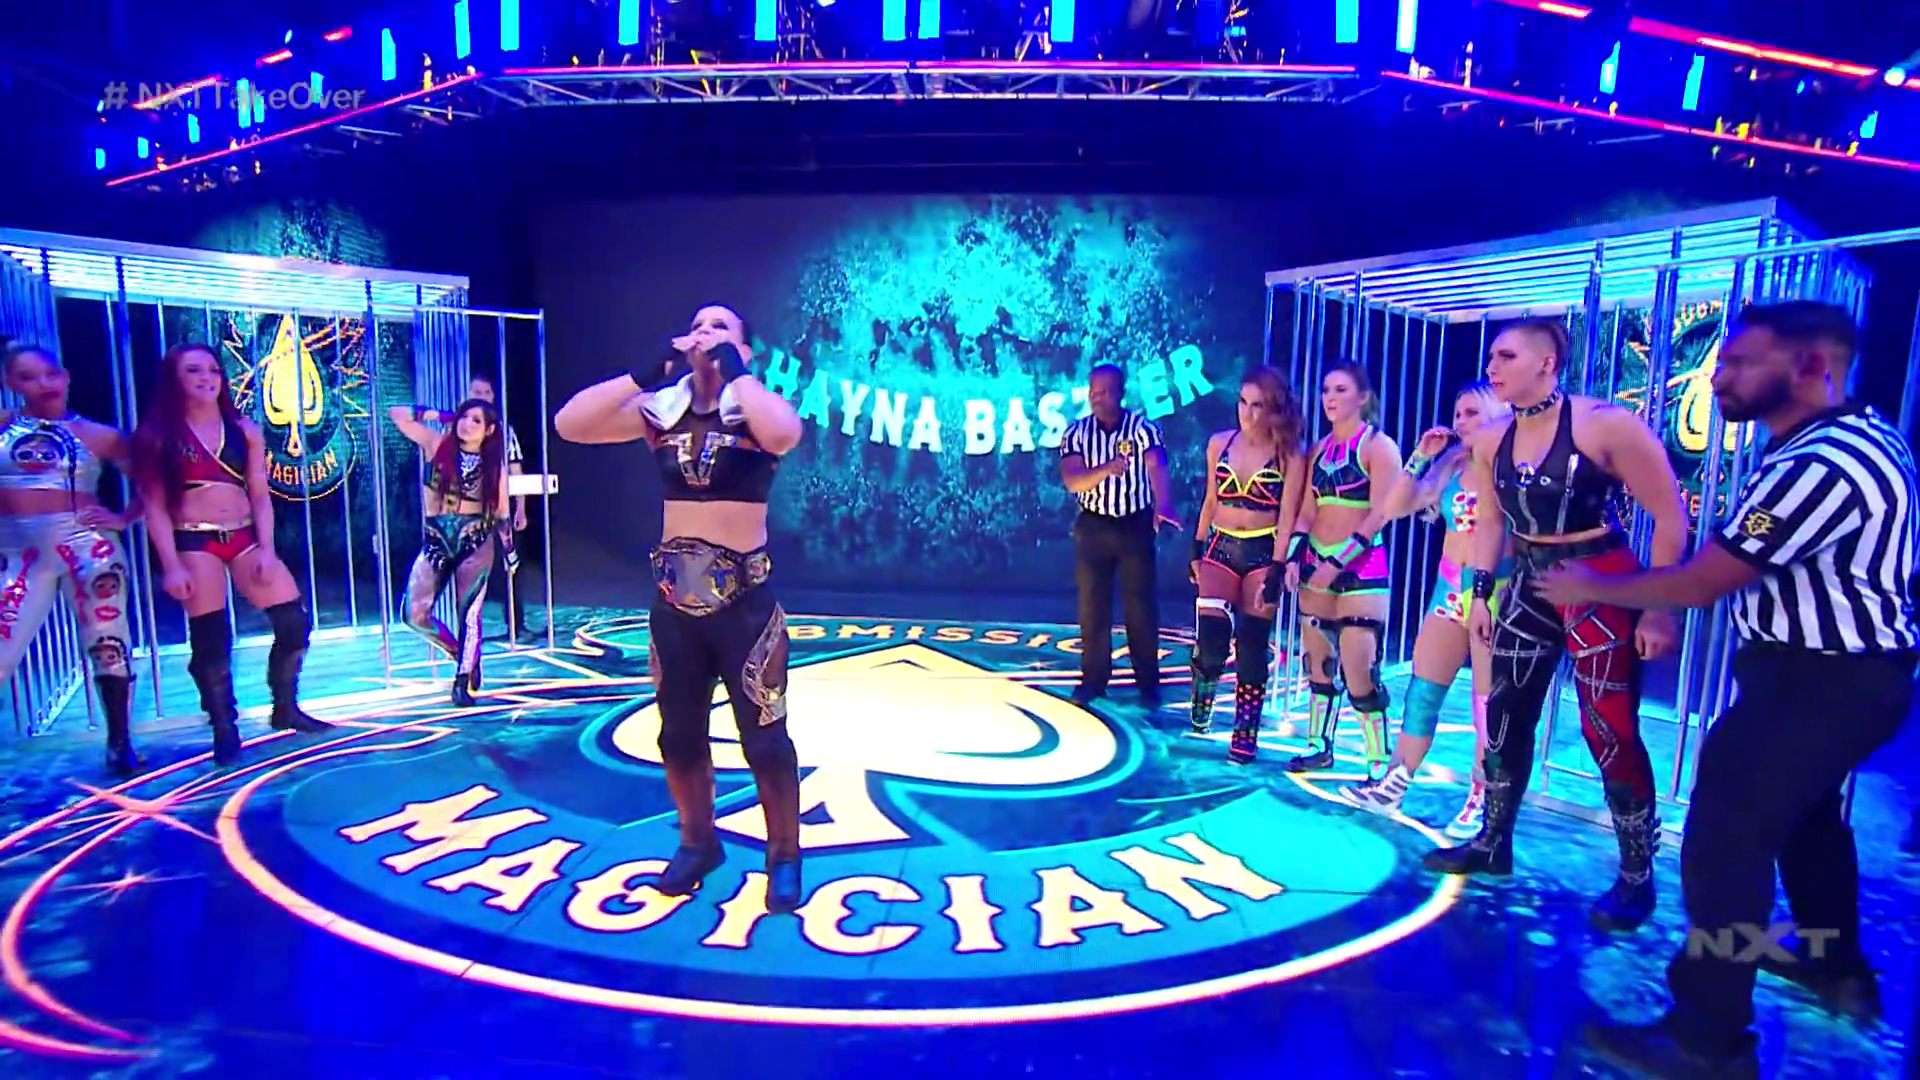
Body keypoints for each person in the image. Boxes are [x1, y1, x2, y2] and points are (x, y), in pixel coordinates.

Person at [1540, 303, 1916, 1079]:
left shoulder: (1822, 463)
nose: (1718, 377)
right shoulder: (1846, 438)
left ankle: (1708, 1038)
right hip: (1843, 677)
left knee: (1725, 843)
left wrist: (1594, 584)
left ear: (1811, 367)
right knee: (1808, 822)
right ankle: (1834, 967)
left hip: (1822, 682)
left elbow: (1707, 579)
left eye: (1741, 363)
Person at [1421, 318, 1687, 935]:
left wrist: (1659, 607)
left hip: (1599, 581)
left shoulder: (1604, 424)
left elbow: (1670, 513)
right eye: (1492, 356)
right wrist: (1481, 595)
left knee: (1608, 727)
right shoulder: (1491, 439)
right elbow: (1491, 523)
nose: (1493, 367)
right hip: (1530, 582)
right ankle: (1493, 841)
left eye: (1506, 356)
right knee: (1505, 711)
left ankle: (1636, 874)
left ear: (1546, 363)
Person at [554, 304, 806, 912]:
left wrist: (738, 372)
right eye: (698, 326)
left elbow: (784, 436)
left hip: (745, 607)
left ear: (743, 347)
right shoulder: (661, 411)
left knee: (765, 738)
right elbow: (570, 425)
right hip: (674, 607)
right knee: (678, 736)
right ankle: (698, 843)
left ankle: (784, 856)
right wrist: (641, 375)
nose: (705, 334)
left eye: (721, 328)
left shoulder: (756, 409)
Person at [133, 343, 333, 767]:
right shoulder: (158, 435)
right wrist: (170, 565)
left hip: (243, 535)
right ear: (174, 378)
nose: (206, 378)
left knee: (293, 621)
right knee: (210, 637)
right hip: (193, 539)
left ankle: (285, 707)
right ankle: (224, 725)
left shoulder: (244, 430)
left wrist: (267, 549)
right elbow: (153, 505)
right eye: (193, 370)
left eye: (212, 370)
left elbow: (260, 494)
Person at [1337, 382, 1513, 837]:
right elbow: (1395, 507)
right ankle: (1394, 784)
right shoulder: (1453, 463)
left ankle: (1483, 799)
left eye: (1472, 412)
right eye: (1458, 413)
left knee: (1487, 706)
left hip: (1496, 593)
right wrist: (1420, 455)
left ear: (1499, 412)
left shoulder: (1514, 464)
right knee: (1423, 691)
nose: (1461, 422)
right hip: (1448, 591)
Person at [0, 345, 142, 774]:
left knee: (108, 643)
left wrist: (123, 517)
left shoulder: (97, 434)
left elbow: (154, 482)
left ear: (64, 376)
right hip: (19, 556)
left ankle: (120, 742)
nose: (42, 384)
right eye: (27, 377)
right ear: (11, 384)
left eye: (48, 374)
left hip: (88, 549)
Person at [1279, 360, 1402, 779]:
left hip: (1362, 568)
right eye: (1326, 390)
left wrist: (1336, 563)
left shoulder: (1379, 447)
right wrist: (1294, 557)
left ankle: (1378, 760)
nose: (1330, 398)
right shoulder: (1317, 450)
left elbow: (1380, 515)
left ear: (1363, 397)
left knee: (1359, 667)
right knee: (1318, 661)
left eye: (1340, 390)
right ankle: (1318, 745)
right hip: (1316, 563)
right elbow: (1306, 511)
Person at [1188, 368, 1306, 762]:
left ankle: (1245, 731)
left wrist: (1278, 565)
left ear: (1275, 409)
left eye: (1258, 405)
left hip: (1263, 551)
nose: (1248, 413)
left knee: (1252, 646)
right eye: (1243, 402)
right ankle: (1203, 690)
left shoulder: (1290, 455)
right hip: (1219, 547)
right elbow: (1210, 500)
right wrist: (1196, 547)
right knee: (1212, 644)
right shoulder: (1219, 444)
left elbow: (1288, 515)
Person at [1058, 364, 1179, 708]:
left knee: (1140, 607)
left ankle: (1148, 684)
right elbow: (1073, 481)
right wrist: (1107, 469)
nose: (1097, 398)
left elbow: (1156, 464)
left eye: (1105, 392)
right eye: (1093, 392)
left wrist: (1163, 504)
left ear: (1120, 393)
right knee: (1092, 606)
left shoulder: (1142, 428)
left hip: (1133, 524)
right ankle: (1093, 680)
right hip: (1094, 525)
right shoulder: (1076, 433)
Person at [388, 398, 511, 706]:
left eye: (476, 420)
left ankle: (462, 679)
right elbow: (397, 414)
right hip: (436, 539)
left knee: (468, 614)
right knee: (412, 614)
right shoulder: (438, 444)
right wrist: (445, 415)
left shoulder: (493, 465)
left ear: (489, 430)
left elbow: (502, 512)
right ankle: (459, 652)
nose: (467, 424)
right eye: (464, 417)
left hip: (475, 540)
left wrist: (510, 552)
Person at [465, 373, 539, 642]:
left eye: (486, 392)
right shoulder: (458, 430)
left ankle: (516, 625)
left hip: (500, 512)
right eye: (477, 392)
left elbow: (516, 470)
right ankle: (467, 629)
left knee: (511, 567)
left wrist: (521, 508)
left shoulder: (504, 431)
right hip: (468, 513)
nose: (482, 397)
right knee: (470, 571)